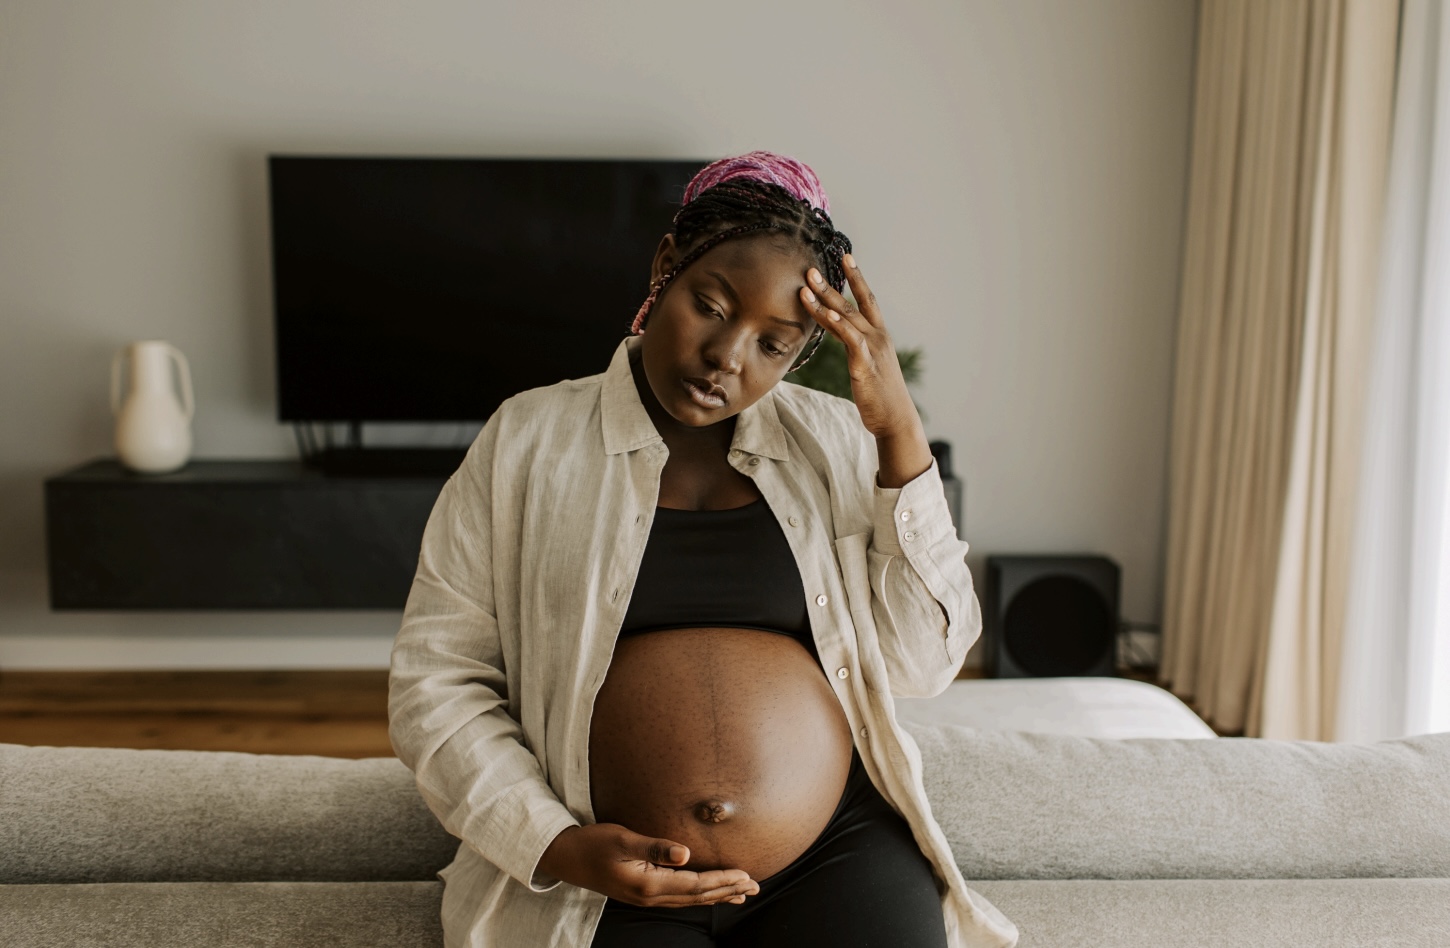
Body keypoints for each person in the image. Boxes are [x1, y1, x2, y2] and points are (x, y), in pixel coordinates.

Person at [389, 151, 1020, 948]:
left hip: (834, 854)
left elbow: (923, 665)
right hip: (603, 874)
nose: (729, 356)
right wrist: (556, 845)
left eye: (774, 345)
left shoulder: (837, 442)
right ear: (665, 268)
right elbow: (436, 682)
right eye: (712, 306)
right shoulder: (528, 439)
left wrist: (898, 437)